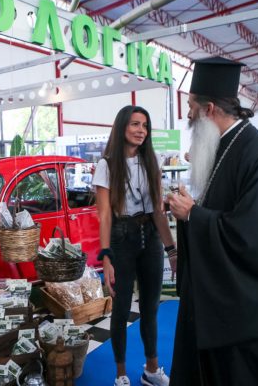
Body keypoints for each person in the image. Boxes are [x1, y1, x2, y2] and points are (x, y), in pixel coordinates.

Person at [167, 57, 258, 385]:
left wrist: (193, 214)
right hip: (216, 302)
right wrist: (194, 209)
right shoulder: (224, 146)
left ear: (209, 109)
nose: (188, 116)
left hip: (245, 317)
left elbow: (255, 238)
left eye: (191, 108)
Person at [93, 105, 176, 386]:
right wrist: (106, 257)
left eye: (145, 125)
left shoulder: (151, 160)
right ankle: (121, 374)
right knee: (121, 308)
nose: (142, 130)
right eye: (135, 124)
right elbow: (105, 215)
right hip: (121, 239)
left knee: (151, 307)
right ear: (122, 127)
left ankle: (151, 370)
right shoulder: (106, 165)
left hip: (150, 237)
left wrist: (171, 250)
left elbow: (158, 212)